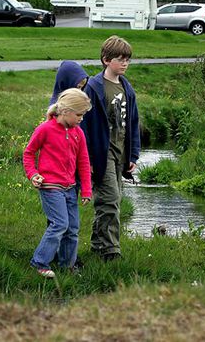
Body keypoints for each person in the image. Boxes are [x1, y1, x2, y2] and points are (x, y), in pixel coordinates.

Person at [81, 35, 140, 261]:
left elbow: (133, 122)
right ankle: (110, 251)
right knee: (111, 200)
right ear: (106, 60)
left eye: (128, 59)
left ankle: (98, 245)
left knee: (111, 200)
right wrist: (87, 161)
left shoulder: (127, 87)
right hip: (101, 154)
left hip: (120, 153)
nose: (125, 63)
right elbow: (84, 126)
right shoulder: (94, 87)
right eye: (120, 59)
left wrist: (133, 154)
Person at [23, 88, 93, 278]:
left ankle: (66, 267)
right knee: (60, 223)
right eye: (79, 114)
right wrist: (33, 174)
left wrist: (86, 189)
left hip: (71, 188)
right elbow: (29, 153)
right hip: (50, 187)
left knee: (73, 228)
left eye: (83, 115)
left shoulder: (78, 133)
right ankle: (39, 263)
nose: (81, 119)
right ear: (65, 111)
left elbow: (84, 163)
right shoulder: (45, 129)